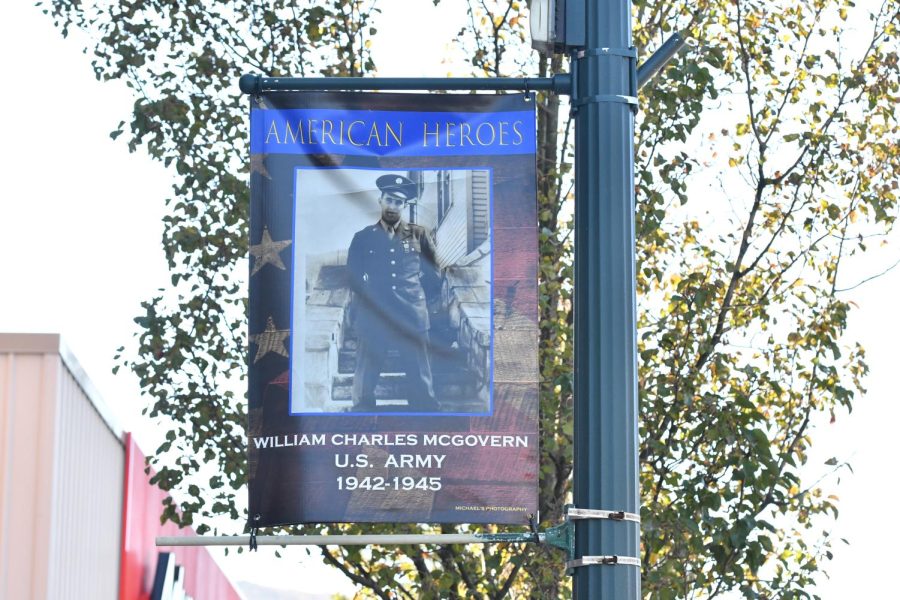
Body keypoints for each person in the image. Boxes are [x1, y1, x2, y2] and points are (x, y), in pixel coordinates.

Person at [346, 174, 443, 412]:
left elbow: (434, 277)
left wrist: (419, 301)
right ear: (380, 200)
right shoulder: (363, 238)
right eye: (389, 199)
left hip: (411, 316)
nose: (393, 206)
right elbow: (353, 278)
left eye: (399, 202)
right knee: (365, 383)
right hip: (375, 316)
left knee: (421, 380)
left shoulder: (419, 235)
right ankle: (364, 422)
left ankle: (424, 422)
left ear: (404, 205)